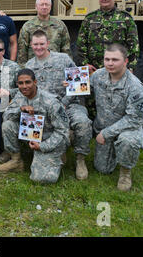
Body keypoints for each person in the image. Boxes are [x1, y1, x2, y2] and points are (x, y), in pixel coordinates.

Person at [25, 30, 92, 180]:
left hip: (69, 104)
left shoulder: (63, 59)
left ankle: (80, 159)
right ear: (31, 45)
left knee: (83, 123)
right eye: (35, 44)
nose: (39, 47)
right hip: (45, 110)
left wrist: (64, 103)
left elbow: (79, 83)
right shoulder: (29, 66)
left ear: (48, 43)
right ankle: (58, 149)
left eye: (42, 44)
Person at [0, 68, 70, 184]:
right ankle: (16, 161)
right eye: (20, 83)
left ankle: (58, 155)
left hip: (47, 139)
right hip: (29, 134)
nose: (24, 86)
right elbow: (6, 115)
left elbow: (63, 131)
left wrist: (42, 146)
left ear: (35, 82)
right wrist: (20, 110)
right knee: (7, 125)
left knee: (41, 179)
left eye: (28, 82)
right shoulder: (20, 96)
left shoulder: (51, 102)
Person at [90, 44, 143, 191]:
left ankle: (125, 172)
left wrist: (106, 133)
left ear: (125, 61)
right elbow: (82, 89)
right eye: (107, 59)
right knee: (102, 169)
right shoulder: (98, 76)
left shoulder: (135, 87)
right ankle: (115, 151)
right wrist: (71, 84)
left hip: (127, 129)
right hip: (104, 127)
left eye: (115, 60)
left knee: (128, 141)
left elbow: (134, 119)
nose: (110, 63)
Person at [76, 0, 139, 73]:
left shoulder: (125, 18)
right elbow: (80, 44)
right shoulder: (90, 18)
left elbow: (133, 46)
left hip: (118, 70)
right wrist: (85, 64)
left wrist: (130, 67)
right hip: (94, 70)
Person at [17, 0, 71, 66]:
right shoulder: (27, 26)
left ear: (50, 7)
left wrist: (68, 69)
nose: (44, 7)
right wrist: (24, 72)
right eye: (41, 4)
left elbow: (66, 49)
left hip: (55, 67)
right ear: (36, 7)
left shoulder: (60, 25)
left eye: (47, 4)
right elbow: (22, 53)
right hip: (34, 68)